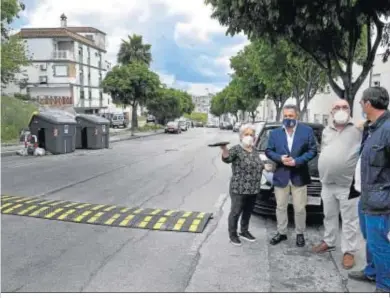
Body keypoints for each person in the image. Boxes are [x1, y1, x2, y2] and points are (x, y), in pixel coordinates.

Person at [348, 86, 390, 293]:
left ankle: (385, 286)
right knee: (370, 241)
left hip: (380, 201)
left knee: (380, 244)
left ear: (368, 103)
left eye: (361, 103)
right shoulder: (374, 127)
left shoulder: (388, 130)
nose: (361, 107)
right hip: (366, 197)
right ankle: (372, 271)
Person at [312, 99, 361, 269]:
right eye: (337, 107)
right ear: (331, 112)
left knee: (349, 220)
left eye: (344, 107)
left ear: (350, 110)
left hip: (348, 184)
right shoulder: (326, 130)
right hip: (327, 183)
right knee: (329, 215)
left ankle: (349, 251)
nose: (341, 110)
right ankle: (329, 240)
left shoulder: (358, 128)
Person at [265, 104, 317, 247]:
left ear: (297, 116)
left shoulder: (306, 131)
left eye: (291, 116)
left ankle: (300, 233)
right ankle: (281, 233)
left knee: (300, 208)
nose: (288, 118)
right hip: (281, 175)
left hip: (299, 175)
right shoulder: (275, 133)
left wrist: (297, 161)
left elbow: (313, 150)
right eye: (286, 116)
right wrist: (280, 158)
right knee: (280, 207)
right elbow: (268, 151)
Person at [221, 124, 264, 246]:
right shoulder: (236, 149)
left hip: (253, 188)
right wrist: (224, 149)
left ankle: (244, 231)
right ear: (241, 137)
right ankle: (233, 234)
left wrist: (265, 166)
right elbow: (227, 159)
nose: (249, 137)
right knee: (235, 212)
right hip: (239, 188)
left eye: (251, 135)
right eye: (246, 134)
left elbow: (258, 164)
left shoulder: (255, 151)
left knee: (248, 212)